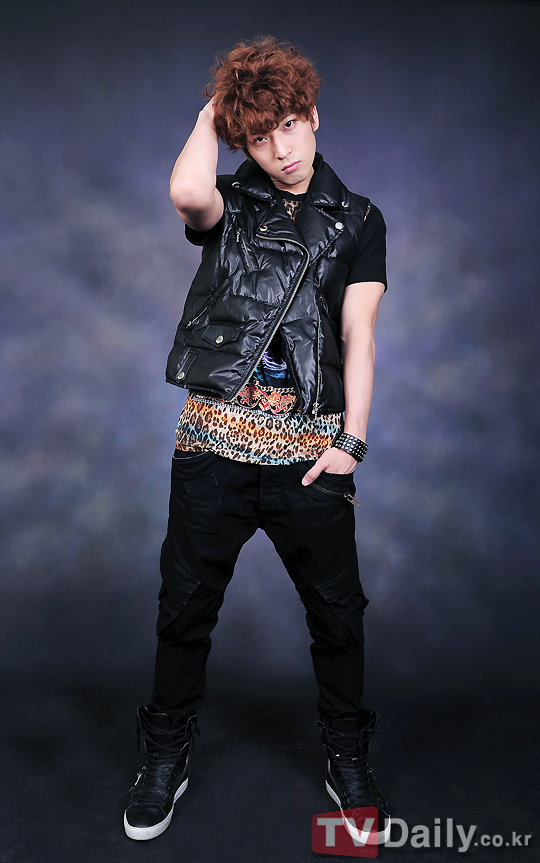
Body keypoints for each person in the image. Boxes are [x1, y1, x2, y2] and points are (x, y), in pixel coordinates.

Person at [124, 36, 390, 845]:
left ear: (315, 116)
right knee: (183, 610)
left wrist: (352, 442)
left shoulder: (360, 219)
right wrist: (217, 111)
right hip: (212, 448)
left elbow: (360, 332)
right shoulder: (229, 203)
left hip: (310, 457)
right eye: (261, 135)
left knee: (338, 617)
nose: (280, 149)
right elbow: (185, 190)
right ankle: (165, 753)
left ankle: (346, 755)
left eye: (290, 125)